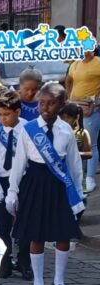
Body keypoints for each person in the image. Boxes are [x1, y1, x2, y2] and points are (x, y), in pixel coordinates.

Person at [6, 83, 84, 285]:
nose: (45, 108)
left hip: (59, 183)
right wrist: (12, 191)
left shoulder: (65, 130)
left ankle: (59, 281)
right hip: (35, 182)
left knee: (62, 234)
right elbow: (19, 162)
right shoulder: (28, 129)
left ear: (61, 105)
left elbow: (74, 163)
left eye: (51, 104)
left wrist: (78, 192)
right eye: (42, 103)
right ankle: (38, 282)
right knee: (36, 234)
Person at [0, 91, 30, 279]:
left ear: (18, 112)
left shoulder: (28, 130)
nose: (2, 119)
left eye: (7, 114)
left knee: (25, 223)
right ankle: (5, 263)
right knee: (3, 226)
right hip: (2, 182)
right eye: (0, 115)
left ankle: (24, 261)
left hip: (24, 181)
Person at [65, 49, 100, 193]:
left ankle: (90, 178)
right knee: (77, 143)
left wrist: (97, 102)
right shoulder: (75, 63)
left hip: (92, 109)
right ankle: (81, 176)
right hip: (75, 108)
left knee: (91, 144)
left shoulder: (98, 62)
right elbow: (69, 79)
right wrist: (68, 97)